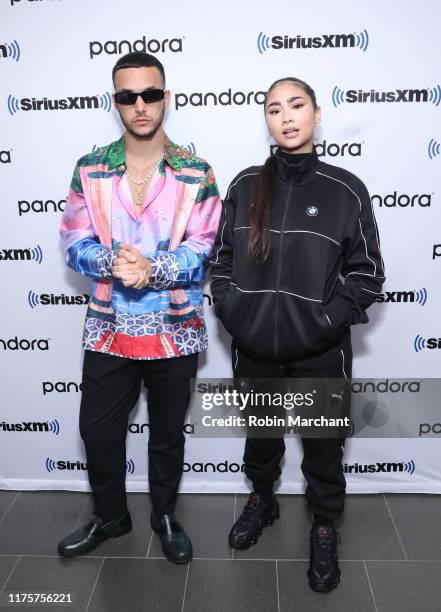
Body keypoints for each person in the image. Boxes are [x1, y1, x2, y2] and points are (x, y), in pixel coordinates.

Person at [210, 77, 384, 592]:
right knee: (261, 439)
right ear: (265, 119)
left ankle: (325, 526)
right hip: (255, 346)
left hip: (320, 352)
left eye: (296, 105)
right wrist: (235, 313)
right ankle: (262, 501)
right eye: (273, 108)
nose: (285, 116)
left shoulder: (345, 189)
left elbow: (367, 275)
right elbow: (221, 262)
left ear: (316, 113)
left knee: (323, 446)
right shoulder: (245, 186)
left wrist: (324, 322)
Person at [57, 51, 221, 564]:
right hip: (109, 325)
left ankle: (165, 515)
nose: (141, 105)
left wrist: (156, 269)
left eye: (150, 94)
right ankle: (110, 515)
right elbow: (72, 240)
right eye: (128, 96)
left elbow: (205, 243)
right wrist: (113, 261)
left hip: (175, 326)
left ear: (166, 97)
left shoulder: (196, 172)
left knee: (168, 433)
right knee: (96, 428)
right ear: (116, 103)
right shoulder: (91, 168)